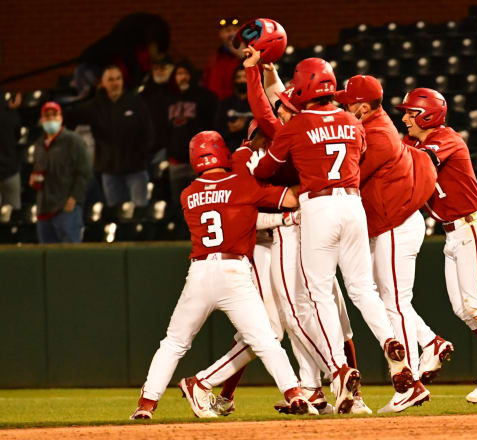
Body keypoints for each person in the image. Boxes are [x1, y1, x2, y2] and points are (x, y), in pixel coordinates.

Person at [252, 57, 414, 414]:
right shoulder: (352, 122)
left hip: (318, 206)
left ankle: (340, 368)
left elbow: (265, 168)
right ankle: (389, 340)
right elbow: (361, 155)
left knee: (319, 293)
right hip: (353, 205)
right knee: (362, 289)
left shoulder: (296, 126)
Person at [130, 130, 317, 419]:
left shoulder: (188, 193)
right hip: (234, 271)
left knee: (174, 342)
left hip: (201, 272)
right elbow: (290, 199)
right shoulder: (243, 183)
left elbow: (231, 211)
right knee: (265, 340)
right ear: (221, 152)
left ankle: (145, 406)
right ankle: (293, 393)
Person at [396, 88, 477, 404]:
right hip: (453, 233)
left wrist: (394, 153)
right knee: (463, 309)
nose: (404, 118)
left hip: (473, 227)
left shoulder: (447, 138)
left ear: (427, 114)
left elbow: (423, 160)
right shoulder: (414, 142)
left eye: (410, 113)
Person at [335, 75, 455, 413]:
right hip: (394, 223)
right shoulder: (374, 126)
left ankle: (410, 383)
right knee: (389, 301)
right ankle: (430, 341)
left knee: (395, 305)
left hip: (394, 225)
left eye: (348, 103)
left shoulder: (378, 133)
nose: (344, 108)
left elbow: (348, 176)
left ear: (361, 105)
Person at [66, 65, 155, 207]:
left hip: (136, 171)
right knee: (116, 214)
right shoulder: (96, 105)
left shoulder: (136, 102)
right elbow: (70, 117)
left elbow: (149, 133)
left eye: (118, 79)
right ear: (103, 83)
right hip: (110, 172)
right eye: (111, 79)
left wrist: (144, 158)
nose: (115, 83)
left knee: (140, 211)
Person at [30, 102, 92, 243]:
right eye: (47, 116)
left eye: (54, 115)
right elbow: (38, 170)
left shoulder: (73, 140)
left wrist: (74, 198)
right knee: (46, 258)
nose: (51, 119)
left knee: (68, 256)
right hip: (44, 208)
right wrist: (34, 179)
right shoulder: (39, 144)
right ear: (42, 119)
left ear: (61, 118)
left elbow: (85, 172)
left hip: (66, 208)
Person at [166, 60, 218, 204]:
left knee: (203, 203)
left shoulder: (207, 97)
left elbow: (213, 128)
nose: (182, 77)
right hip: (176, 163)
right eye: (179, 74)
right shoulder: (168, 99)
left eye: (185, 73)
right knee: (178, 205)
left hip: (200, 162)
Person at [139, 55, 175, 165]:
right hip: (148, 149)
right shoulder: (144, 93)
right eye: (156, 68)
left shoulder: (177, 91)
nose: (159, 71)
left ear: (171, 69)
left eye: (162, 68)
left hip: (172, 148)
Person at [203, 18, 243, 101]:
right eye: (228, 31)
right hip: (218, 104)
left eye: (235, 30)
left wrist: (243, 56)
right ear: (220, 34)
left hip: (242, 104)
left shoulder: (250, 54)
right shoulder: (215, 57)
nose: (232, 34)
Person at [214, 65, 252, 150]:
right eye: (239, 77)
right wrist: (230, 130)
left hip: (252, 152)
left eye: (245, 77)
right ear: (234, 80)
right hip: (229, 152)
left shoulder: (257, 103)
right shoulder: (225, 104)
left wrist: (244, 126)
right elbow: (216, 130)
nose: (242, 80)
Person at [0, 91, 22, 209]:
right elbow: (18, 136)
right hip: (11, 171)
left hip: (10, 171)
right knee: (13, 217)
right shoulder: (10, 113)